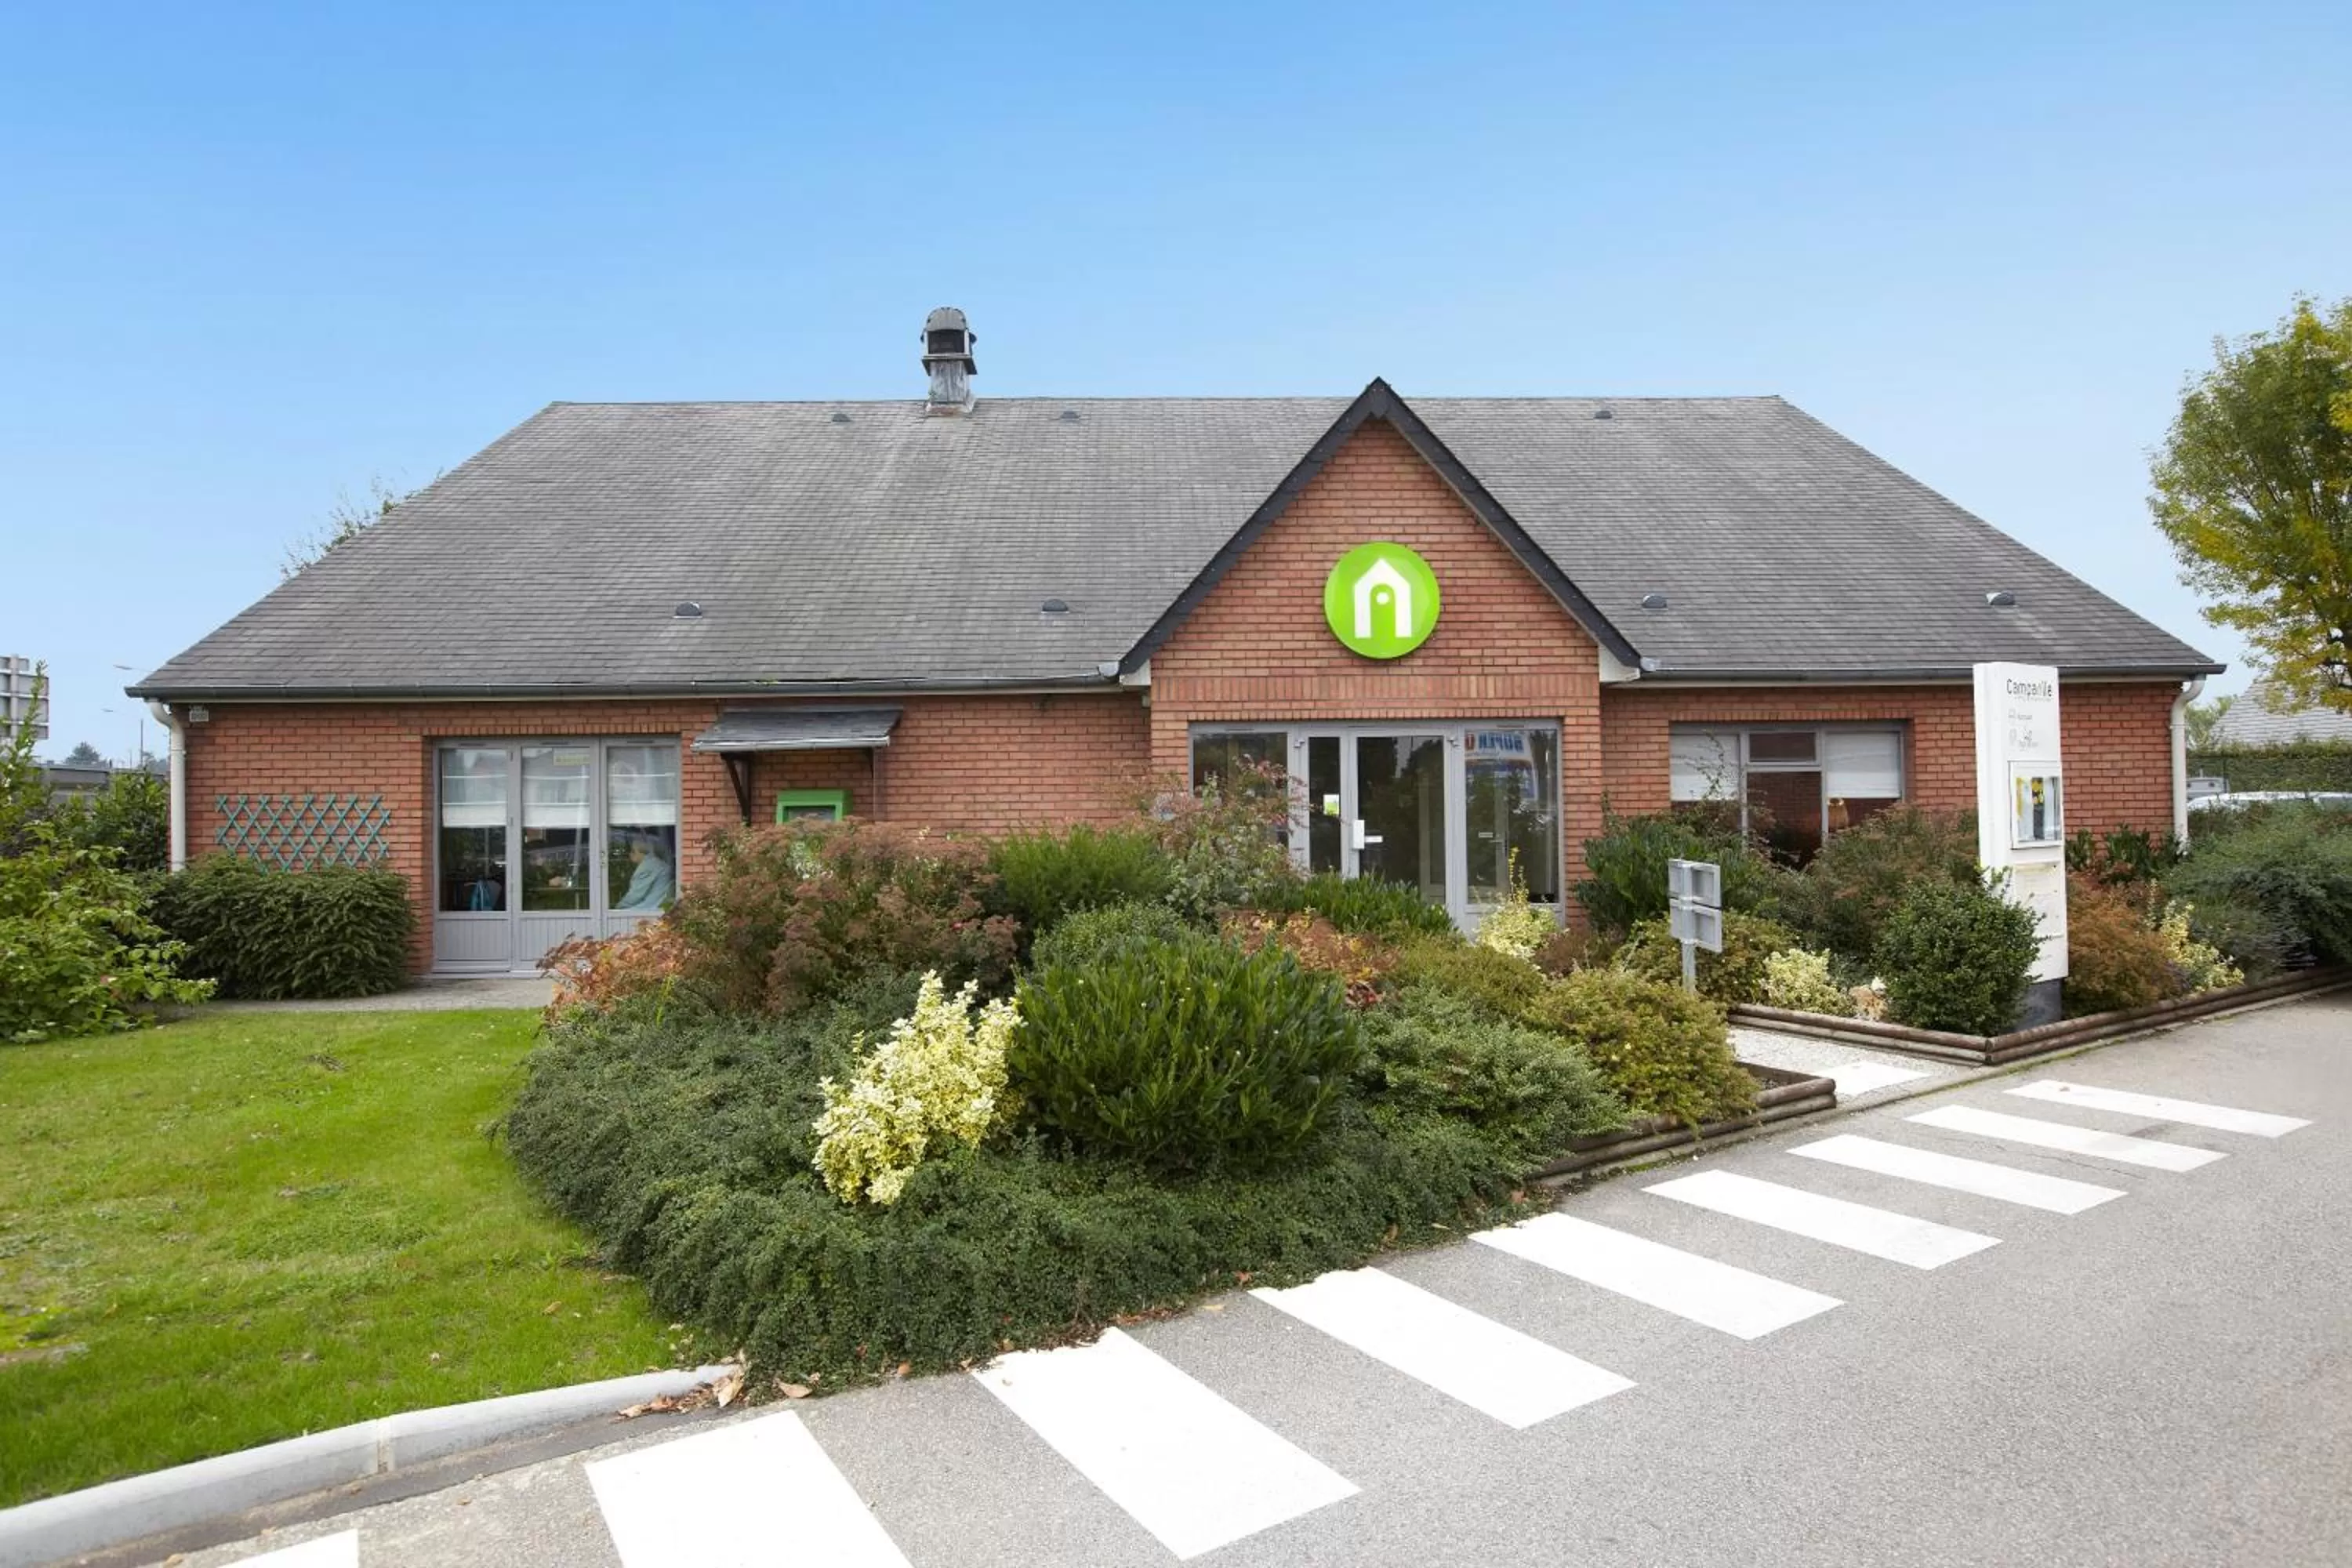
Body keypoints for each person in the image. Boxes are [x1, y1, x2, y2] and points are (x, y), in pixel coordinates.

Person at [614, 833, 674, 911]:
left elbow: (635, 896)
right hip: (657, 907)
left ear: (642, 852)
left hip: (648, 909)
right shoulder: (657, 864)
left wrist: (617, 908)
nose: (630, 854)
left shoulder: (647, 867)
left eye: (633, 851)